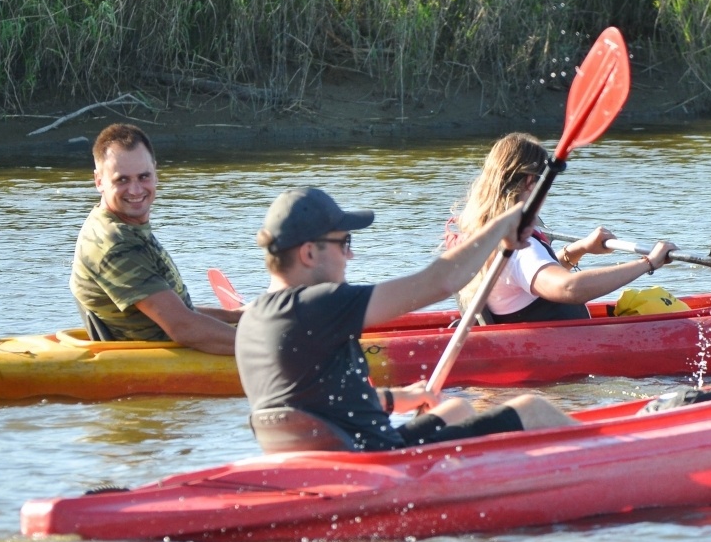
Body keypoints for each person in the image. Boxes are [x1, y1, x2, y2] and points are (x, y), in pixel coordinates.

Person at [235, 186, 576, 451]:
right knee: (533, 409)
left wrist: (400, 399)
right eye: (344, 243)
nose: (350, 255)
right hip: (383, 459)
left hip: (337, 455)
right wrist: (503, 223)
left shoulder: (253, 320)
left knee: (455, 408)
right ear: (308, 253)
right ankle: (612, 461)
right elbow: (438, 282)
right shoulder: (320, 304)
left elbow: (318, 401)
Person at [451, 132, 676, 324]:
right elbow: (568, 288)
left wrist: (579, 249)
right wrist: (648, 263)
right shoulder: (519, 245)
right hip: (553, 352)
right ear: (531, 182)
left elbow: (527, 281)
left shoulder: (487, 231)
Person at [69, 123, 240, 353]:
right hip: (161, 363)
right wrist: (278, 347)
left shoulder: (125, 227)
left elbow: (179, 312)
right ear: (99, 181)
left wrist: (235, 315)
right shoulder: (114, 243)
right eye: (122, 180)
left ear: (155, 173)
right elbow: (183, 327)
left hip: (175, 347)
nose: (136, 189)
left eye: (143, 176)